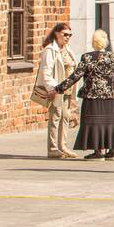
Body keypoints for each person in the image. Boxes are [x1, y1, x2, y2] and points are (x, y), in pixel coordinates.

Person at [55, 29, 114, 160]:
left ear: (93, 42)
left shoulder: (87, 57)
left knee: (94, 123)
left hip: (92, 96)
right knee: (110, 123)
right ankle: (112, 151)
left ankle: (98, 152)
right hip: (108, 96)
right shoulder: (113, 57)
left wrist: (59, 88)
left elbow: (76, 76)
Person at [36, 22, 78, 159]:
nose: (67, 38)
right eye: (65, 34)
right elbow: (46, 72)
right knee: (55, 117)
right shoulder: (50, 50)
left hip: (67, 89)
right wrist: (53, 88)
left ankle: (63, 146)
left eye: (70, 35)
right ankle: (53, 148)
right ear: (56, 33)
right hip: (56, 89)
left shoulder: (67, 49)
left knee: (65, 116)